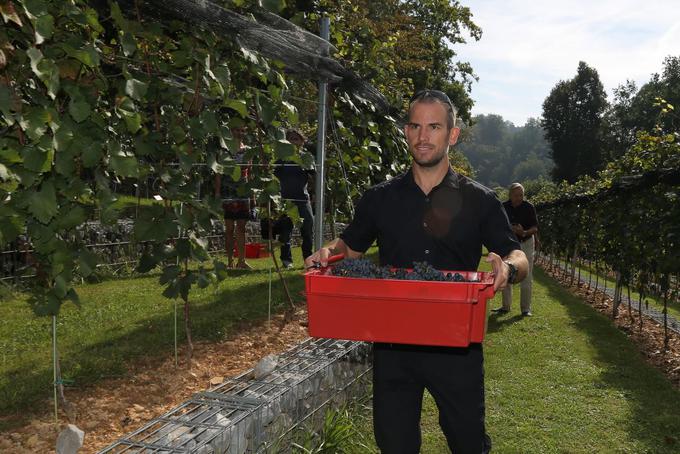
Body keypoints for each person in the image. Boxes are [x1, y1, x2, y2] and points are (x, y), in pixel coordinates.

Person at [304, 89, 528, 454]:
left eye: (434, 127)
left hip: (457, 348)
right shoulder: (380, 198)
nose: (423, 136)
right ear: (406, 132)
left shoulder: (480, 201)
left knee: (468, 443)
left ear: (452, 135)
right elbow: (348, 248)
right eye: (415, 126)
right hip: (394, 347)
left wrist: (510, 269)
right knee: (395, 445)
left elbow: (517, 255)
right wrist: (326, 254)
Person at [493, 182, 538, 316]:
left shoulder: (529, 207)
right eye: (516, 195)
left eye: (521, 195)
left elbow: (535, 228)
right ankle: (505, 306)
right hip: (509, 244)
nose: (519, 198)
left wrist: (523, 232)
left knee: (527, 275)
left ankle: (525, 309)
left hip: (526, 243)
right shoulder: (503, 207)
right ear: (510, 195)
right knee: (506, 272)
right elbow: (497, 225)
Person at [272, 129, 315, 268]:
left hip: (303, 199)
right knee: (285, 232)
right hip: (286, 201)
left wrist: (314, 194)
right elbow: (271, 174)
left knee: (307, 230)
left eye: (296, 139)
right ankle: (287, 260)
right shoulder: (281, 158)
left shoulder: (306, 157)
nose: (293, 142)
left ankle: (308, 259)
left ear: (302, 142)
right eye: (290, 139)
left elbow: (314, 176)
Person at [215, 127, 254, 269]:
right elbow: (218, 173)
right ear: (231, 132)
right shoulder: (223, 150)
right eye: (237, 130)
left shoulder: (248, 150)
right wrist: (217, 193)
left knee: (242, 227)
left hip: (243, 191)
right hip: (227, 191)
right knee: (229, 228)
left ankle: (241, 261)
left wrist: (252, 194)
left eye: (243, 131)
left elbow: (249, 173)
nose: (240, 133)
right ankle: (230, 261)